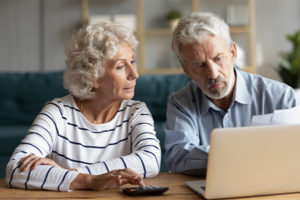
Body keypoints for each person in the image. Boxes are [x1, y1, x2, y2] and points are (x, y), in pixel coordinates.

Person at [6, 21, 161, 191]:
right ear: (93, 77)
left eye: (133, 61)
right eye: (121, 66)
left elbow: (150, 160)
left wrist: (70, 174)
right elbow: (15, 170)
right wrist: (90, 181)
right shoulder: (58, 112)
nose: (134, 74)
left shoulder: (136, 111)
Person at [164, 12, 297, 176]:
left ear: (233, 53)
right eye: (200, 65)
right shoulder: (180, 103)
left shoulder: (281, 96)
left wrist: (227, 156)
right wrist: (250, 154)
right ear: (186, 70)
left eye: (218, 58)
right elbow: (178, 156)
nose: (213, 74)